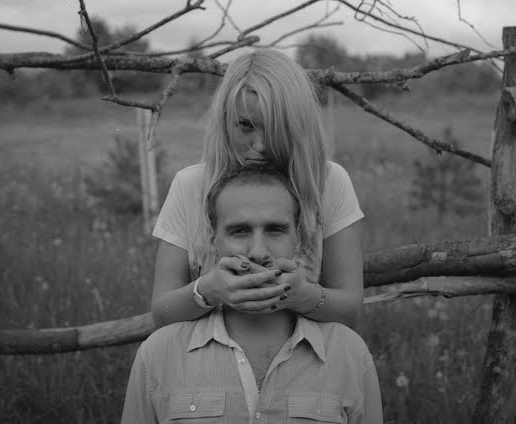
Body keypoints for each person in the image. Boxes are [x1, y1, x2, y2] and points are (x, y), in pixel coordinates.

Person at [122, 167, 382, 423]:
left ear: (299, 240)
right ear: (214, 241)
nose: (258, 252)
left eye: (275, 230)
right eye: (240, 231)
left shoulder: (349, 355)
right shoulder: (158, 356)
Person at [151, 48, 364, 330]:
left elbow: (350, 309)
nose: (260, 144)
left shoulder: (328, 182)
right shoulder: (190, 186)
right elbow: (161, 313)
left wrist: (303, 296)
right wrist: (208, 290)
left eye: (276, 127)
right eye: (246, 126)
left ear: (298, 125)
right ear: (225, 121)